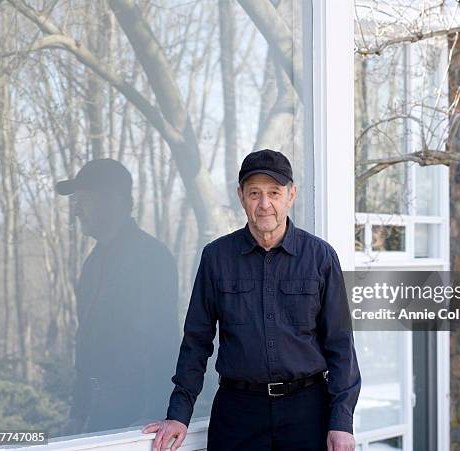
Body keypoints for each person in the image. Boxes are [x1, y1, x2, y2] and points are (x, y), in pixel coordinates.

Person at [143, 150, 361, 451]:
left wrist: (341, 421)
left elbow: (341, 345)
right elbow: (196, 341)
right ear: (241, 196)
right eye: (254, 193)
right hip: (237, 415)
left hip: (308, 413)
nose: (264, 204)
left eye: (274, 192)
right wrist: (179, 414)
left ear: (291, 195)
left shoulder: (320, 257)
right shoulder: (217, 258)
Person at [56, 159, 180, 435]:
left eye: (83, 200)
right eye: (74, 201)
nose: (76, 211)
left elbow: (163, 342)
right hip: (98, 412)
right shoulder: (93, 263)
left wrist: (153, 413)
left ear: (114, 201)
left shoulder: (151, 257)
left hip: (136, 419)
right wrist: (78, 413)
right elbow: (85, 342)